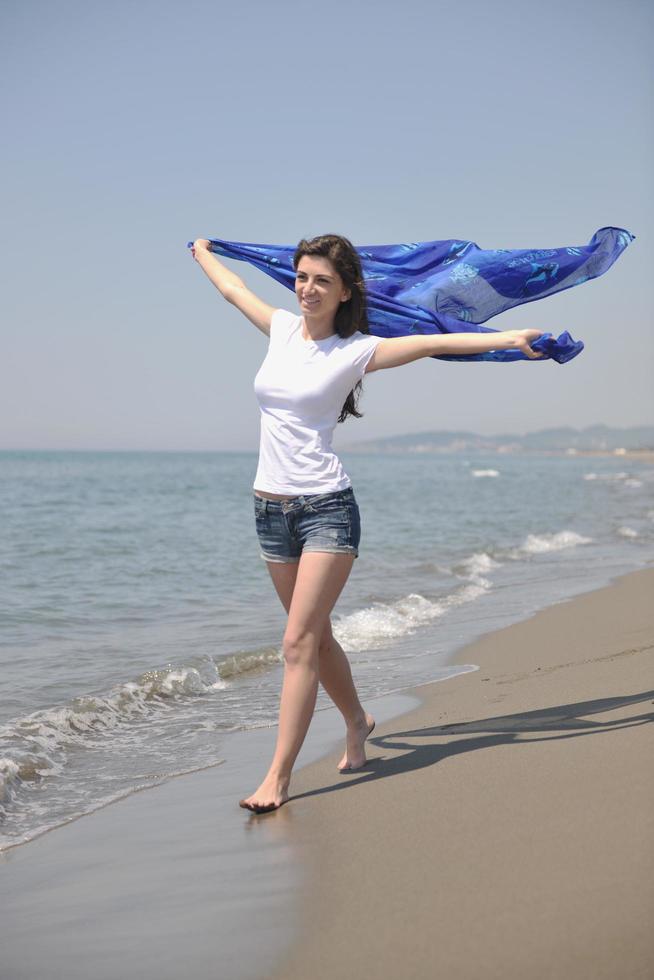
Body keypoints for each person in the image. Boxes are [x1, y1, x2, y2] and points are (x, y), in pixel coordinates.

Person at [190, 233, 543, 814]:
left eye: (321, 280)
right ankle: (358, 720)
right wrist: (204, 251)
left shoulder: (356, 351)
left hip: (326, 510)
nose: (307, 288)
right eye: (302, 277)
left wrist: (511, 338)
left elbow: (434, 343)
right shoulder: (279, 329)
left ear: (346, 290)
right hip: (269, 512)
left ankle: (277, 778)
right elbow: (234, 290)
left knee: (297, 642)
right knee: (317, 636)